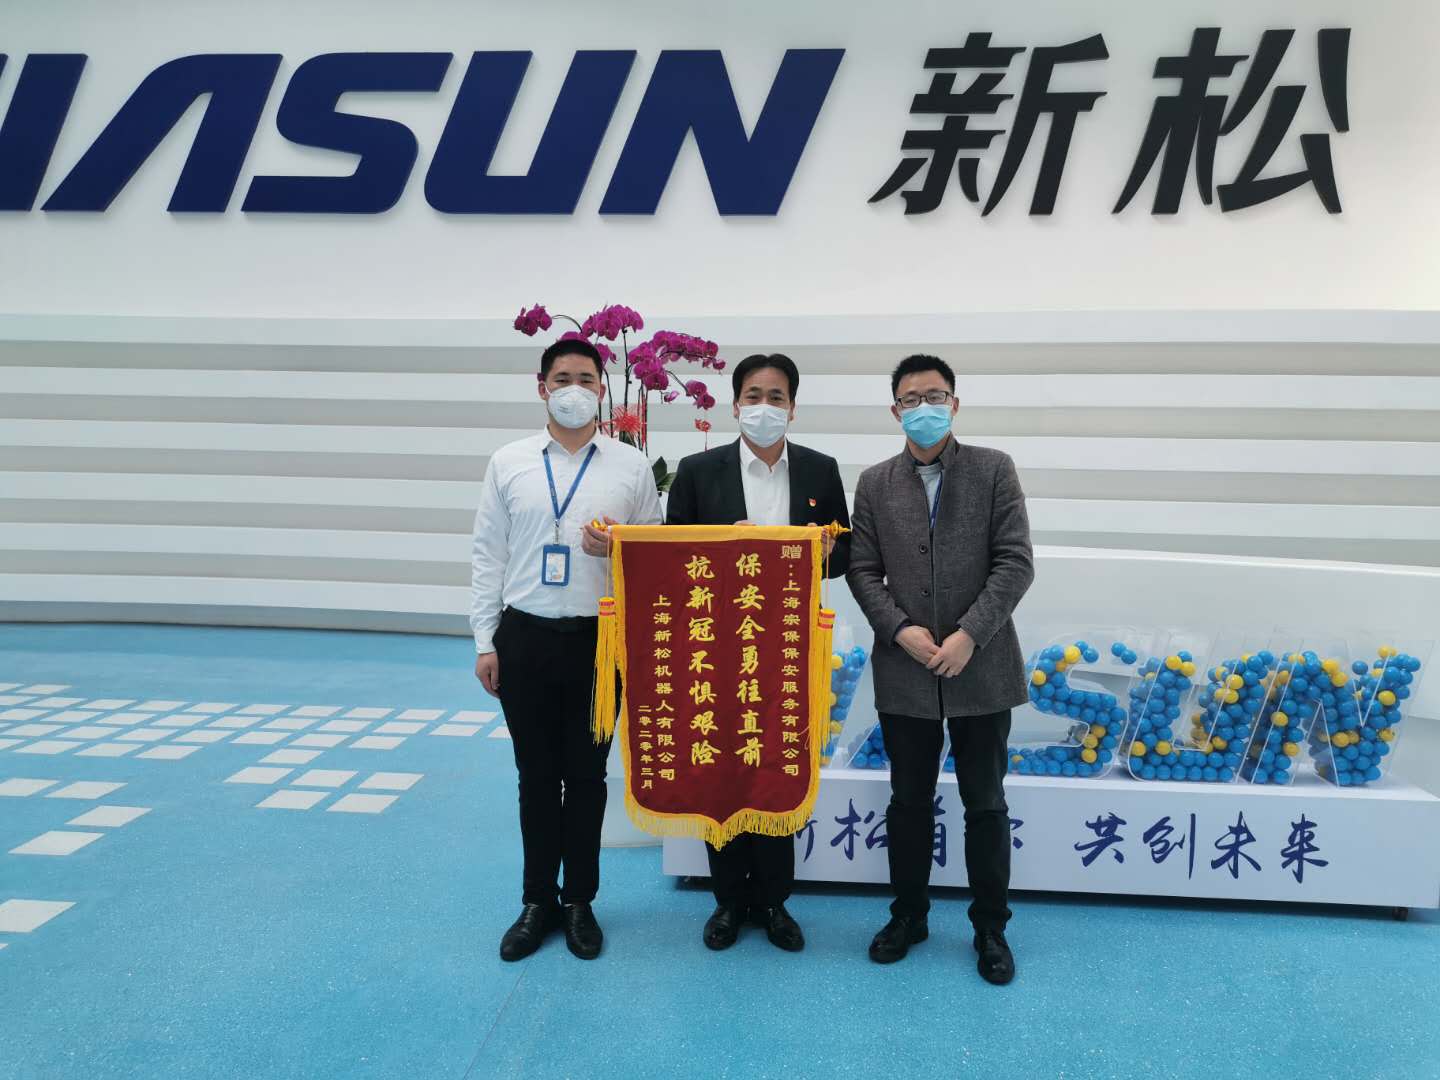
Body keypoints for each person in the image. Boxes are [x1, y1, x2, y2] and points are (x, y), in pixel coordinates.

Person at [471, 338, 662, 962]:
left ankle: (579, 900)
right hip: (523, 637)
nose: (573, 389)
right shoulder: (509, 462)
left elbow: (655, 554)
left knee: (586, 778)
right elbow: (488, 555)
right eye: (562, 378)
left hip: (598, 643)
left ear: (602, 390)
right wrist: (485, 640)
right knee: (534, 777)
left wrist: (620, 546)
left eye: (585, 378)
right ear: (542, 387)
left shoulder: (630, 467)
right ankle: (536, 901)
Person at [845, 354, 1033, 984]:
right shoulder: (874, 483)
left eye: (935, 396)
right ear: (894, 409)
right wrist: (900, 629)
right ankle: (908, 916)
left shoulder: (993, 469)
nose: (923, 407)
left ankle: (990, 928)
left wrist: (969, 636)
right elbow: (862, 570)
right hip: (906, 668)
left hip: (982, 665)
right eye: (911, 398)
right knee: (908, 802)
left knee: (986, 804)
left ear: (954, 403)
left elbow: (1015, 562)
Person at [665, 352, 851, 953]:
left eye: (776, 397)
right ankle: (727, 900)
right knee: (722, 768)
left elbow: (845, 556)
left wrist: (825, 549)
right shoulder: (698, 472)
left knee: (777, 767)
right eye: (753, 396)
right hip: (716, 648)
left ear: (793, 408)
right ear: (735, 405)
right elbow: (673, 559)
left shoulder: (821, 471)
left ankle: (773, 901)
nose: (763, 407)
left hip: (789, 647)